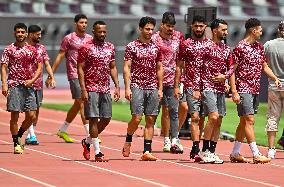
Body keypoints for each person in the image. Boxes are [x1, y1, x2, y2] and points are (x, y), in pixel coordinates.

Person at [230, 18, 281, 164]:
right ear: (253, 30)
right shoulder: (240, 47)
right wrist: (234, 90)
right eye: (259, 29)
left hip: (255, 89)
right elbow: (232, 70)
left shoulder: (259, 47)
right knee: (249, 120)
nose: (261, 32)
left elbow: (264, 66)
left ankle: (235, 153)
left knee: (243, 122)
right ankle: (256, 153)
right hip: (243, 88)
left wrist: (274, 78)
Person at [122, 16, 163, 161]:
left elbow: (159, 68)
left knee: (151, 119)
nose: (150, 31)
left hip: (152, 87)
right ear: (140, 29)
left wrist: (160, 88)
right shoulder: (132, 46)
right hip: (137, 86)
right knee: (137, 118)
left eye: (152, 29)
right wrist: (127, 88)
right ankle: (128, 139)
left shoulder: (157, 47)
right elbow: (126, 68)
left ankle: (147, 150)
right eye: (147, 29)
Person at [47, 14, 93, 143]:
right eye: (81, 22)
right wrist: (51, 74)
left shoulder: (90, 38)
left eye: (85, 22)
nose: (84, 24)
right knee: (83, 102)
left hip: (87, 76)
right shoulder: (69, 38)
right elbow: (60, 56)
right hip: (74, 74)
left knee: (77, 105)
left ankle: (63, 129)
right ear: (75, 23)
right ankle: (90, 135)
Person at [78, 21, 120, 162]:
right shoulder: (85, 47)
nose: (102, 34)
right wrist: (83, 89)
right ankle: (98, 152)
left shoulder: (110, 47)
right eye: (99, 31)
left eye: (104, 32)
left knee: (106, 118)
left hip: (105, 88)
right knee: (94, 120)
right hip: (91, 88)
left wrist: (117, 86)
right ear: (94, 31)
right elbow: (80, 68)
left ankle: (87, 141)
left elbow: (112, 67)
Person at [199, 19, 238, 163]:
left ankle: (212, 151)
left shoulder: (227, 49)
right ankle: (204, 150)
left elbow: (232, 68)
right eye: (223, 30)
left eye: (226, 30)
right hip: (207, 87)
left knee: (219, 121)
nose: (226, 32)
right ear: (215, 30)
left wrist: (225, 79)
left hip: (221, 88)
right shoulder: (205, 47)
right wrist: (197, 87)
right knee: (213, 117)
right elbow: (197, 68)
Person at [1, 23, 42, 154]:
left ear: (26, 34)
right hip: (14, 85)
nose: (20, 34)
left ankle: (19, 135)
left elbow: (40, 67)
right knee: (15, 116)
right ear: (14, 33)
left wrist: (32, 80)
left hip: (28, 86)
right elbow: (3, 67)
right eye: (17, 32)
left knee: (31, 116)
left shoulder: (32, 50)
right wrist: (4, 84)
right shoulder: (9, 49)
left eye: (22, 32)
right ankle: (16, 143)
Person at [174, 15, 208, 162]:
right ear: (192, 27)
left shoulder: (210, 45)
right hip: (190, 85)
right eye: (196, 26)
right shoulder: (185, 44)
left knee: (202, 118)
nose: (198, 29)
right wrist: (176, 85)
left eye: (201, 26)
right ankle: (195, 149)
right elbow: (179, 66)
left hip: (207, 86)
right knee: (194, 117)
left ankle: (201, 146)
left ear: (205, 26)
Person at [151, 11, 185, 153]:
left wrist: (181, 80)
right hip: (155, 80)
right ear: (162, 25)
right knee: (158, 112)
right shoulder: (153, 38)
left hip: (173, 80)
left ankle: (174, 139)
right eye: (168, 26)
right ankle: (165, 140)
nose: (171, 29)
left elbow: (181, 60)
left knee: (176, 109)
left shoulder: (179, 37)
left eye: (172, 26)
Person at [25, 25, 56, 145]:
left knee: (36, 110)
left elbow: (47, 64)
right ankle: (32, 134)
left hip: (39, 84)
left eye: (40, 34)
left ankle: (29, 134)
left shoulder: (41, 48)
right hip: (27, 84)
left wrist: (51, 77)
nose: (40, 36)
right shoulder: (24, 48)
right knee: (30, 110)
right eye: (37, 34)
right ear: (31, 35)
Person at [264, 21, 284, 158]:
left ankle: (271, 149)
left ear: (279, 29)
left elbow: (262, 63)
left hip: (274, 84)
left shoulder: (269, 45)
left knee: (273, 117)